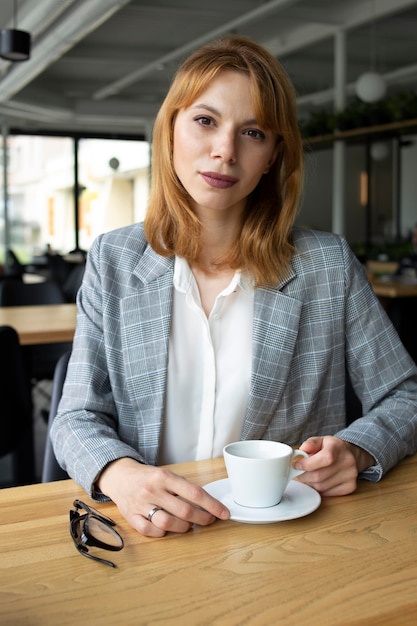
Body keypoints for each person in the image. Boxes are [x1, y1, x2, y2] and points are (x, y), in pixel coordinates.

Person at [51, 35, 417, 538]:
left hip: (287, 539)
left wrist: (357, 447)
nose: (225, 151)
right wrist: (122, 475)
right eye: (205, 120)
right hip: (152, 533)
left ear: (271, 155)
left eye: (252, 132)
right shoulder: (113, 260)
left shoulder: (326, 265)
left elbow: (406, 395)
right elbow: (76, 416)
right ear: (171, 131)